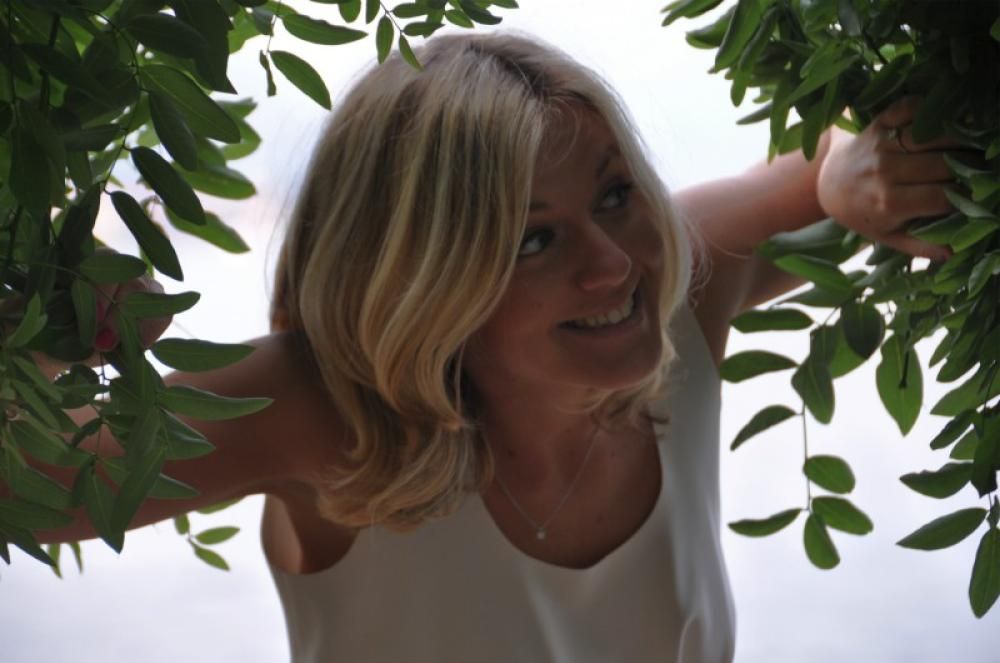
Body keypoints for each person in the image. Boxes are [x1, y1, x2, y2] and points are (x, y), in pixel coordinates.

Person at [40, 32, 953, 662]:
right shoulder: (322, 415)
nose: (614, 265)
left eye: (615, 194)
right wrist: (59, 321)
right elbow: (24, 481)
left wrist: (846, 169)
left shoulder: (675, 281)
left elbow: (843, 159)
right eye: (533, 240)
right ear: (418, 284)